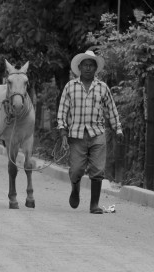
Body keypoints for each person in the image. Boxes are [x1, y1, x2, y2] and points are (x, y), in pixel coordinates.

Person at [57, 49, 124, 214]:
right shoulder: (70, 87)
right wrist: (62, 132)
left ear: (95, 69)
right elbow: (62, 111)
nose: (88, 68)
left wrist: (118, 129)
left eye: (91, 66)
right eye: (85, 65)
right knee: (76, 170)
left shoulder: (102, 87)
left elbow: (111, 109)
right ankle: (75, 189)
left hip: (97, 133)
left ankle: (94, 205)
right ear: (79, 67)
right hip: (76, 134)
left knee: (98, 169)